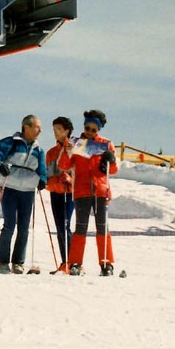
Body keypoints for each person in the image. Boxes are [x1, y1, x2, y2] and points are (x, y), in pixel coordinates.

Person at [0, 115, 48, 273]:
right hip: (10, 188)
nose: (40, 130)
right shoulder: (10, 143)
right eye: (36, 127)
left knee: (24, 227)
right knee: (9, 225)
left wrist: (42, 180)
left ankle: (18, 262)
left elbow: (42, 170)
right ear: (26, 127)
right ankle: (2, 261)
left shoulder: (39, 150)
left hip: (27, 191)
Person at [66, 108, 118, 276]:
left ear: (98, 130)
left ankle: (106, 263)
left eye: (93, 130)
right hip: (82, 191)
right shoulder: (78, 143)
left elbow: (114, 169)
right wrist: (67, 151)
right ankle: (75, 262)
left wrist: (111, 160)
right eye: (87, 128)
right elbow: (64, 165)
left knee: (102, 227)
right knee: (80, 227)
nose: (89, 132)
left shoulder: (105, 144)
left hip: (100, 191)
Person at [45, 116, 76, 272]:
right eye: (54, 130)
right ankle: (65, 262)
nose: (55, 133)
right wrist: (56, 180)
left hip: (70, 193)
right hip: (56, 193)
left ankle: (72, 262)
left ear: (67, 131)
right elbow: (48, 177)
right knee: (59, 227)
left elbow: (81, 173)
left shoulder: (75, 148)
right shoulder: (51, 153)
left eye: (58, 129)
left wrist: (69, 179)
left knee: (65, 225)